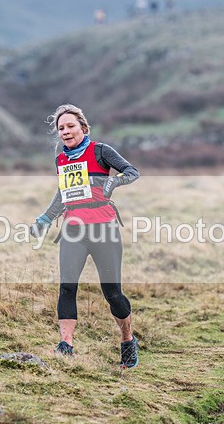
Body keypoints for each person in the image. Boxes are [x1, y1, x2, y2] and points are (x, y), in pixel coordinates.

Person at [31, 104, 141, 368]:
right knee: (67, 286)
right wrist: (45, 218)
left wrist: (114, 182)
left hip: (103, 228)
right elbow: (63, 195)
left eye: (70, 126)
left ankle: (127, 339)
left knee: (112, 293)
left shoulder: (101, 151)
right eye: (61, 128)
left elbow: (132, 172)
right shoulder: (61, 160)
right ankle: (65, 345)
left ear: (83, 127)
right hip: (73, 229)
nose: (66, 132)